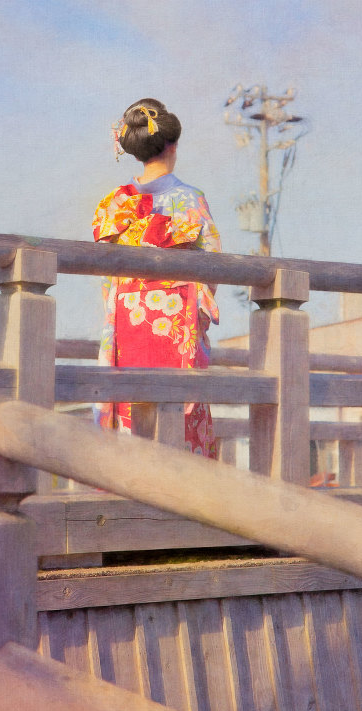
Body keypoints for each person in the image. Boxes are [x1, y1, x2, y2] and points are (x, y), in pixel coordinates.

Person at [92, 98, 220, 457]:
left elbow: (106, 274)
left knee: (127, 405)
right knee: (179, 414)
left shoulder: (114, 204)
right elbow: (213, 268)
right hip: (176, 322)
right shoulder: (191, 200)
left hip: (126, 320)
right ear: (173, 145)